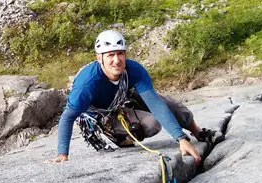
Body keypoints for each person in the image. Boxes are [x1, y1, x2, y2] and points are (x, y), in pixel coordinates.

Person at [49, 30, 223, 163]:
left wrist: (181, 139)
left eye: (120, 54)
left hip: (124, 99)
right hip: (101, 116)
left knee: (170, 104)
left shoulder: (134, 70)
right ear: (99, 58)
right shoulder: (88, 83)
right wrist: (62, 153)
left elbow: (155, 104)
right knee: (150, 124)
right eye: (110, 55)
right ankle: (116, 134)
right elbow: (68, 116)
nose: (116, 60)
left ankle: (198, 133)